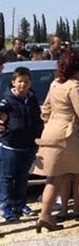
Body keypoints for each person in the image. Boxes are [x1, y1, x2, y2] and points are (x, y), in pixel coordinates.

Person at [35, 51, 79, 232]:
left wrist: (48, 123)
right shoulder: (74, 86)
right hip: (68, 133)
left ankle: (44, 216)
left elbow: (46, 108)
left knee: (55, 176)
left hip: (51, 130)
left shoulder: (55, 83)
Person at [0, 67, 44, 222]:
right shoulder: (6, 100)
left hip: (29, 145)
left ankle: (20, 204)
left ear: (30, 82)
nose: (23, 85)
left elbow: (38, 119)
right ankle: (5, 207)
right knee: (7, 177)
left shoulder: (32, 98)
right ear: (13, 82)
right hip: (11, 145)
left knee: (23, 177)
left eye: (26, 81)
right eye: (20, 81)